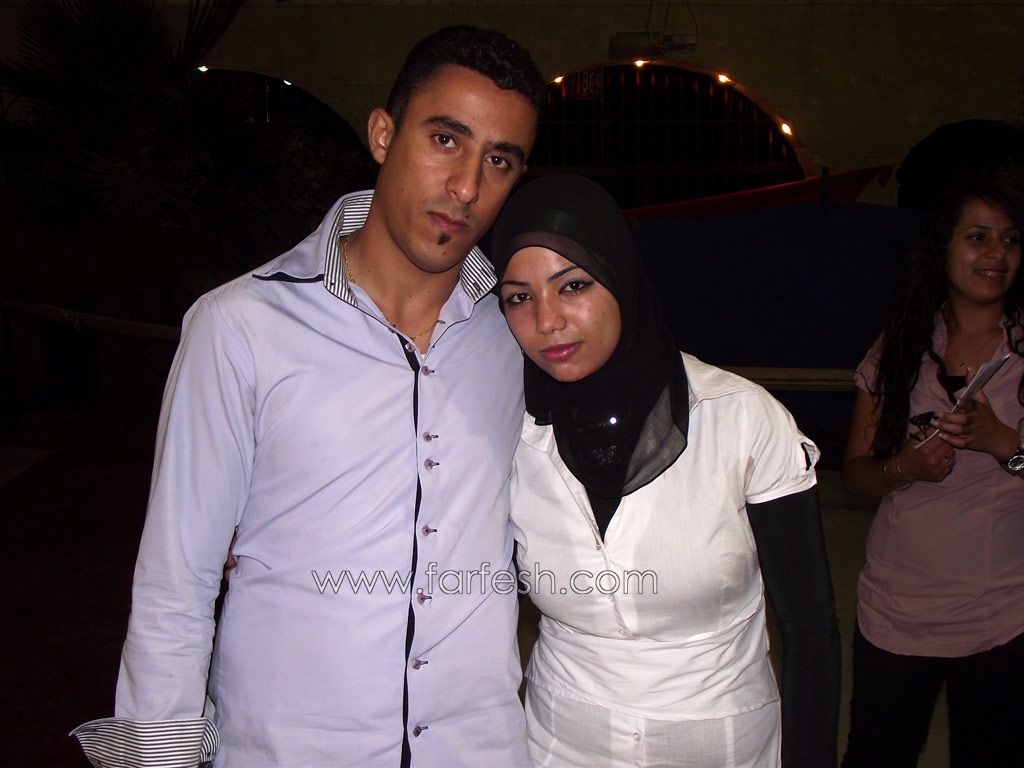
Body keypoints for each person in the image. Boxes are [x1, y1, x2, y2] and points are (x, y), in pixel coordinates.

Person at [71, 25, 545, 767]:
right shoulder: (241, 327)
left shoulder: (519, 335)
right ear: (383, 134)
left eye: (499, 160)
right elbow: (175, 582)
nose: (466, 187)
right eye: (445, 139)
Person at [488, 174, 841, 768]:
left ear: (621, 277)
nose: (547, 321)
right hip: (558, 744)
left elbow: (809, 628)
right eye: (519, 297)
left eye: (573, 285)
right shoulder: (510, 430)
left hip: (721, 746)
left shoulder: (739, 419)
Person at [840, 181, 1024, 767]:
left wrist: (1004, 443)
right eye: (978, 237)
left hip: (1002, 618)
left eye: (1010, 240)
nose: (996, 254)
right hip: (897, 614)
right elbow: (855, 478)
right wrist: (906, 467)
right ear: (943, 248)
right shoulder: (899, 349)